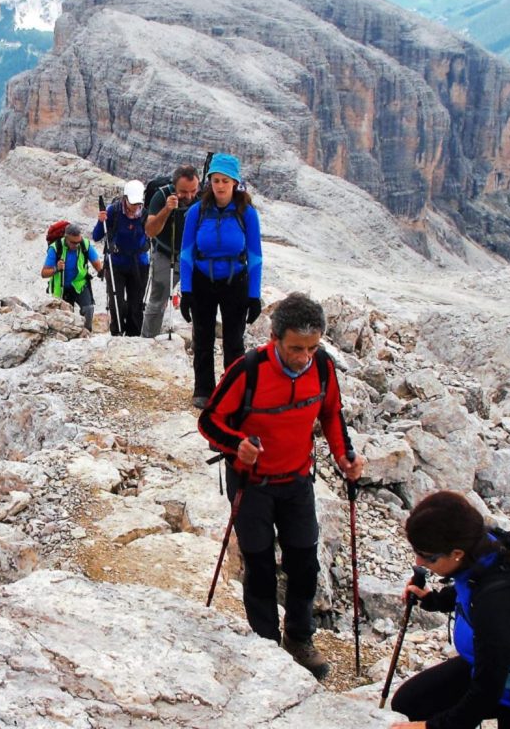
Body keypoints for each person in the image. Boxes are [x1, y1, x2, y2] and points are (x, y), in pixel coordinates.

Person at [198, 292, 364, 680]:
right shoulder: (249, 370)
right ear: (275, 337)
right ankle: (266, 645)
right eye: (295, 348)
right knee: (258, 566)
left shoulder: (322, 367)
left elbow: (331, 414)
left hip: (297, 481)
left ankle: (299, 639)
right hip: (252, 484)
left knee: (305, 564)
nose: (304, 357)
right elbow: (209, 422)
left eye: (311, 347)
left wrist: (345, 457)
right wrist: (236, 445)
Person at [389, 491, 510, 729]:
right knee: (411, 703)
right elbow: (469, 587)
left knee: (425, 714)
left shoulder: (496, 605)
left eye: (427, 557)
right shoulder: (484, 549)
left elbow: (486, 692)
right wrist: (433, 599)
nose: (419, 563)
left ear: (456, 554)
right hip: (505, 672)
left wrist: (430, 728)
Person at [179, 152, 262, 408]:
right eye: (216, 180)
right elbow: (186, 253)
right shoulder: (197, 212)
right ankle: (203, 390)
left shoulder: (247, 213)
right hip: (203, 279)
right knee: (202, 338)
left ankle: (232, 391)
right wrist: (187, 290)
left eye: (226, 181)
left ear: (235, 182)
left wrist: (254, 295)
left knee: (234, 341)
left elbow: (255, 256)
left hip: (235, 281)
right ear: (210, 182)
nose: (221, 186)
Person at [141, 165, 201, 338]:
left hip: (195, 257)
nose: (189, 196)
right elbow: (150, 231)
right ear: (174, 186)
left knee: (200, 302)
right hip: (166, 254)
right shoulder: (161, 196)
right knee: (157, 302)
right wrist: (167, 210)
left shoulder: (203, 198)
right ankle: (147, 342)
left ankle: (200, 346)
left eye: (193, 191)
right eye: (183, 191)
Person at [93, 180, 150, 336]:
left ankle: (134, 334)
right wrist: (101, 221)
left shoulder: (145, 214)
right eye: (132, 203)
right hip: (116, 263)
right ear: (125, 198)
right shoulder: (114, 211)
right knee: (116, 301)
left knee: (136, 303)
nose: (135, 207)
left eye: (138, 203)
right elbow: (97, 236)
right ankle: (117, 332)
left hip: (139, 264)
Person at [41, 222, 104, 331]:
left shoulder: (85, 245)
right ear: (66, 238)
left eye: (78, 242)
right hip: (62, 288)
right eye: (73, 243)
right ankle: (70, 335)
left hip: (80, 284)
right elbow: (44, 273)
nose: (77, 245)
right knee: (67, 316)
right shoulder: (55, 248)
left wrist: (102, 272)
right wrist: (56, 268)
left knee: (88, 309)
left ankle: (86, 333)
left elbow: (97, 263)